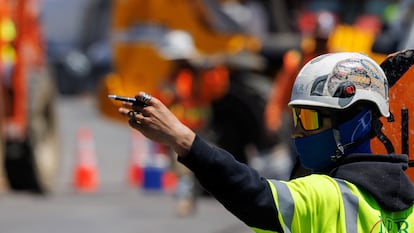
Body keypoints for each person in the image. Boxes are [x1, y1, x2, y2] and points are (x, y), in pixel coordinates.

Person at [117, 52, 414, 232]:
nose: (297, 132)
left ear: (356, 123)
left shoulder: (325, 197)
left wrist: (181, 138)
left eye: (309, 121)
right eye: (295, 119)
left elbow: (250, 191)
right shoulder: (409, 209)